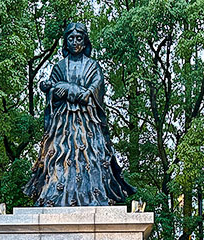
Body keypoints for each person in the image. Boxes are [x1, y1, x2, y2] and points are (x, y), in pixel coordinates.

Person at [24, 22, 135, 206]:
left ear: (85, 41)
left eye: (79, 38)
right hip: (62, 123)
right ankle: (56, 195)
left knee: (91, 156)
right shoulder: (59, 67)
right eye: (71, 38)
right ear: (65, 42)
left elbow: (92, 92)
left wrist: (70, 89)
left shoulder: (93, 66)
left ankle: (92, 194)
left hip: (87, 122)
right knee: (59, 157)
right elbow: (52, 88)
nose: (75, 41)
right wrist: (54, 90)